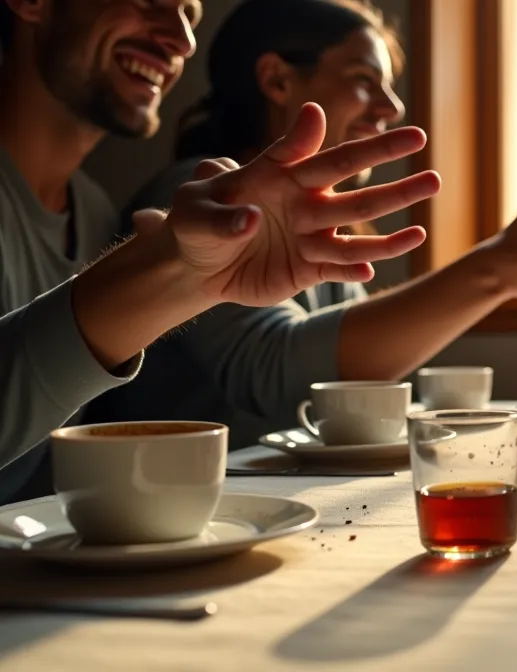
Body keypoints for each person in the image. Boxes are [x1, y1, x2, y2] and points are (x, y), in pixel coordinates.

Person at [84, 0, 517, 447]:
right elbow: (281, 375)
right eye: (364, 79)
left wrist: (498, 273)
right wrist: (494, 270)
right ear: (277, 80)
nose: (391, 107)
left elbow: (351, 389)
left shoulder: (321, 234)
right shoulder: (193, 202)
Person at [0, 0, 439, 503]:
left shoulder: (94, 212)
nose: (183, 38)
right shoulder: (164, 208)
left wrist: (184, 276)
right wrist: (176, 279)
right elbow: (280, 370)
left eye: (189, 13)